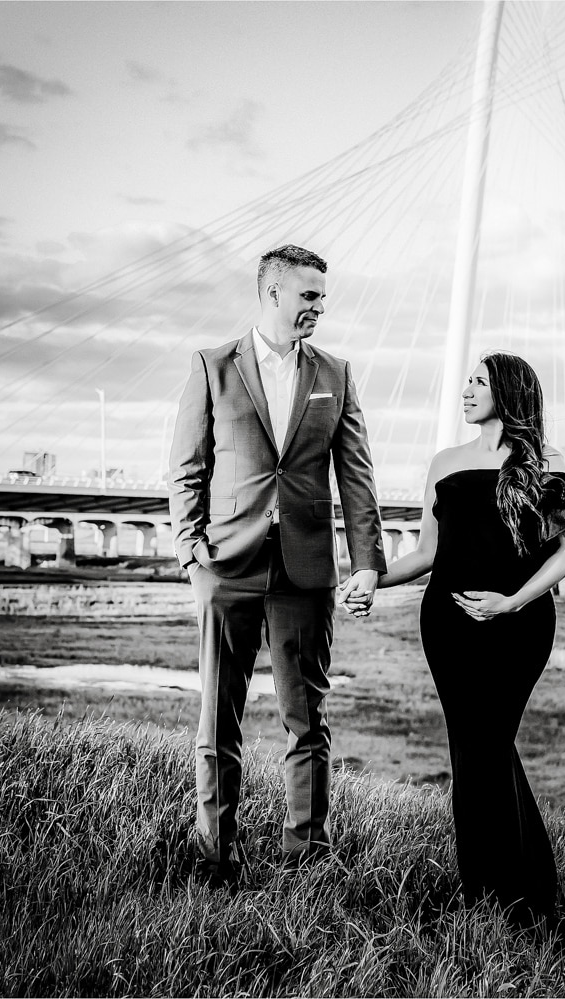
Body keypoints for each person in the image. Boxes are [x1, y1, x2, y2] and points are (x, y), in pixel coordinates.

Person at [347, 350, 565, 925]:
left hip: (520, 626)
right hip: (448, 628)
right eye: (466, 381)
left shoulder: (549, 465)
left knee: (486, 747)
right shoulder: (444, 462)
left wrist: (512, 601)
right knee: (475, 749)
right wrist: (370, 580)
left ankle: (514, 898)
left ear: (508, 393)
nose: (466, 390)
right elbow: (425, 554)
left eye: (479, 382)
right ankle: (506, 894)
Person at [168, 244, 386, 884]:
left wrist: (366, 563)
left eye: (323, 295)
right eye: (309, 295)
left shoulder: (336, 374)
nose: (320, 306)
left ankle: (306, 861)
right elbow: (187, 469)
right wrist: (191, 555)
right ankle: (215, 858)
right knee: (217, 718)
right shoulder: (212, 368)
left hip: (305, 571)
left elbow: (357, 478)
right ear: (272, 294)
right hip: (226, 566)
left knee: (308, 719)